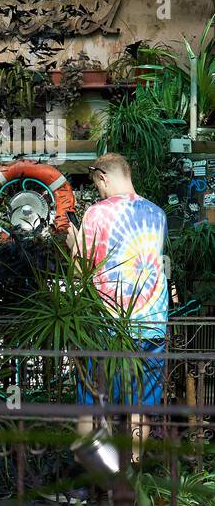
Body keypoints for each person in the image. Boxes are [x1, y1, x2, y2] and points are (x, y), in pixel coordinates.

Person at [66, 153, 168, 415]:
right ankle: (136, 458)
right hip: (152, 324)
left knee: (94, 401)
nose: (100, 192)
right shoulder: (158, 214)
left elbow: (80, 271)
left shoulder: (97, 213)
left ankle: (97, 456)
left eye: (98, 186)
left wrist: (73, 243)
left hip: (109, 326)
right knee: (141, 407)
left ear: (103, 176)